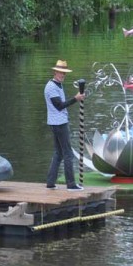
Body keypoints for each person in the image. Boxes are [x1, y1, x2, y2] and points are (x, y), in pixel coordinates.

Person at [43, 59, 84, 190]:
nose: (62, 75)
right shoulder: (51, 87)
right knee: (68, 154)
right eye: (60, 73)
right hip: (59, 124)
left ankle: (50, 182)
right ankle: (71, 184)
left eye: (64, 73)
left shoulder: (57, 85)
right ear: (55, 72)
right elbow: (59, 106)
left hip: (57, 122)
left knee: (59, 153)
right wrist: (76, 99)